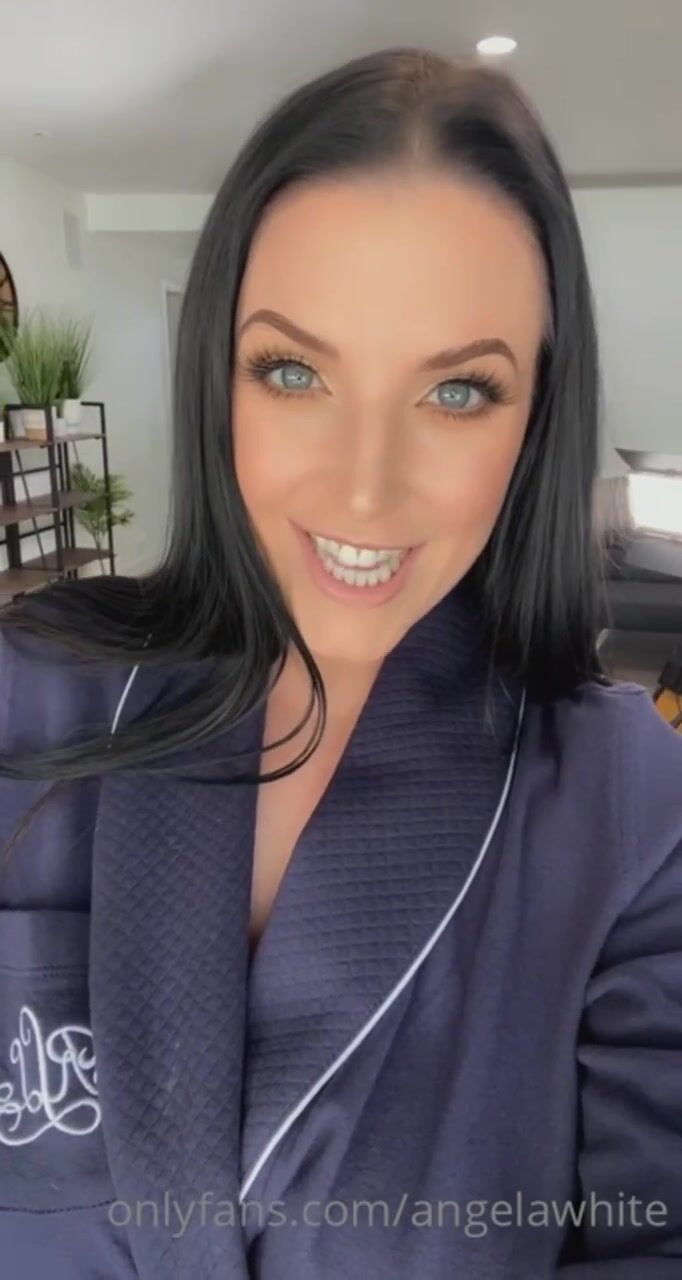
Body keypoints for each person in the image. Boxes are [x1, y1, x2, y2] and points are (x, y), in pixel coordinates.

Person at [0, 45, 680, 1280]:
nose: (365, 490)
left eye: (457, 392)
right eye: (294, 371)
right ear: (219, 378)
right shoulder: (29, 690)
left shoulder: (626, 804)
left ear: (537, 415)